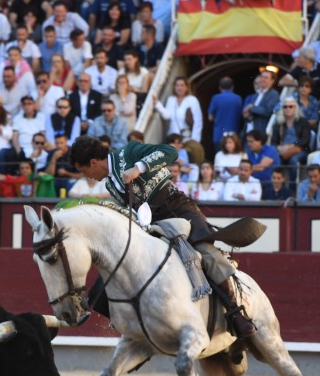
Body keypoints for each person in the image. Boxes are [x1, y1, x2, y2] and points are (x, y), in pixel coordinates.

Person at [68, 135, 258, 337]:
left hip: (177, 208)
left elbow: (170, 152)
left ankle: (236, 312)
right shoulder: (110, 186)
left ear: (93, 162)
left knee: (204, 249)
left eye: (84, 170)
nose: (87, 176)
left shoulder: (129, 152)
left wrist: (138, 168)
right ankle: (138, 329)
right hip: (150, 223)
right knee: (118, 269)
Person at [154, 76, 202, 141]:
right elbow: (167, 116)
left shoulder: (193, 100)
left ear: (187, 88)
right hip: (173, 138)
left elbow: (198, 121)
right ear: (174, 87)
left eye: (182, 85)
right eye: (177, 85)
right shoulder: (171, 99)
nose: (179, 88)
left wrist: (195, 140)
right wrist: (158, 104)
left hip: (188, 138)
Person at [206, 76, 243, 148]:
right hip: (234, 135)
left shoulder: (216, 98)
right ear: (232, 87)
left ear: (220, 87)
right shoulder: (238, 98)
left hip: (219, 135)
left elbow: (210, 117)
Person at [242, 69, 279, 134]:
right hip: (250, 130)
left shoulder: (274, 94)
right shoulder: (256, 94)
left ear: (272, 81)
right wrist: (247, 115)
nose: (263, 79)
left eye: (266, 78)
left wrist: (251, 107)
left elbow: (268, 111)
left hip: (261, 132)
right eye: (262, 77)